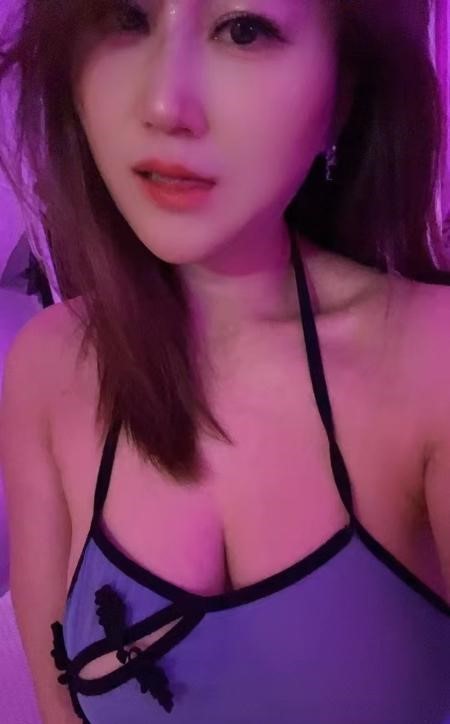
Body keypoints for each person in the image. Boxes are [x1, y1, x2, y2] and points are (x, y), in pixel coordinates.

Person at [0, 1, 449, 722]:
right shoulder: (48, 369)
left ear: (342, 92)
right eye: (127, 17)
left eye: (244, 29)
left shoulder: (432, 362)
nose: (162, 104)